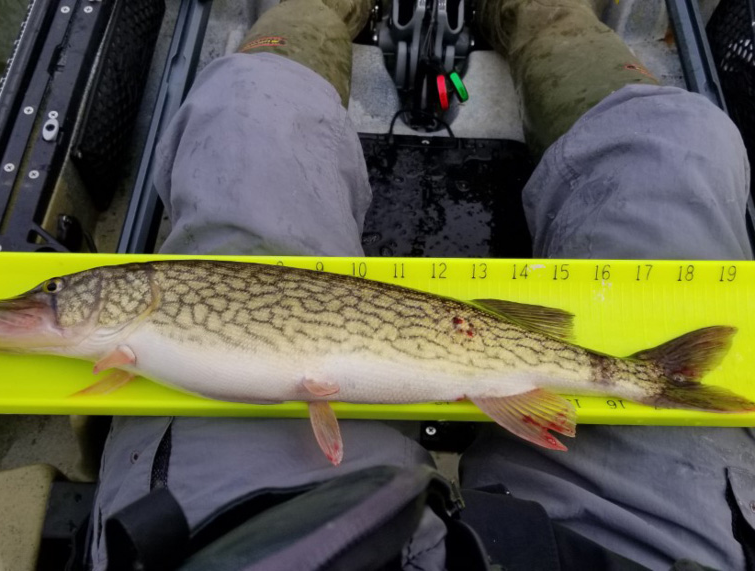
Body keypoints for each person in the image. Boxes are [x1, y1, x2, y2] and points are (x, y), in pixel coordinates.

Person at [83, 0, 755, 569]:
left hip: (249, 531)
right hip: (633, 547)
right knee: (679, 140)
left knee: (244, 109)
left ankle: (320, 10)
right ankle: (545, 18)